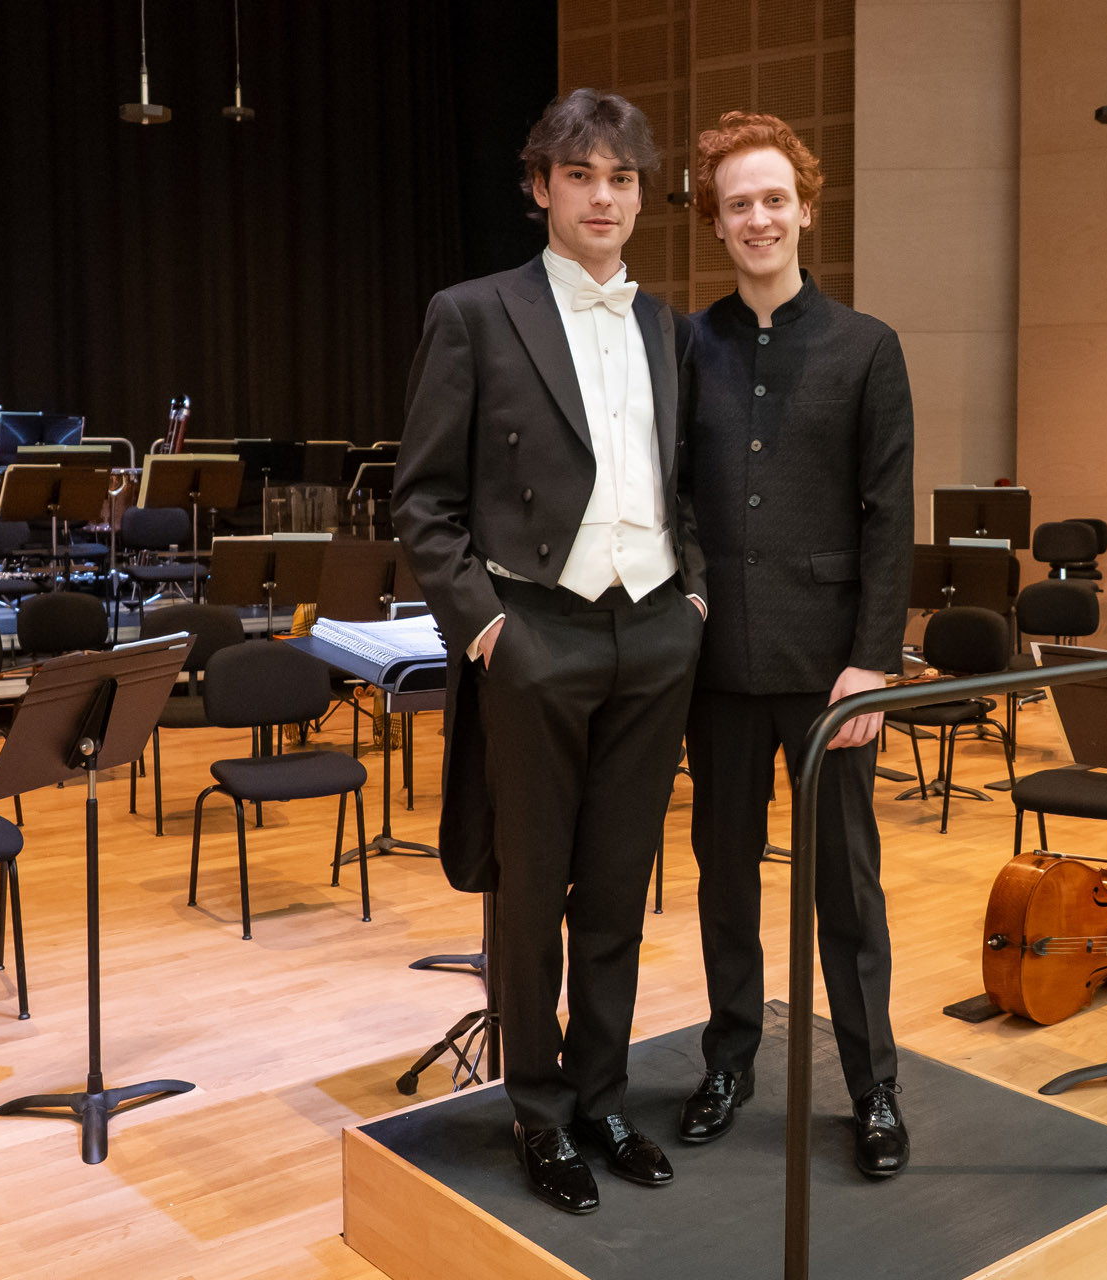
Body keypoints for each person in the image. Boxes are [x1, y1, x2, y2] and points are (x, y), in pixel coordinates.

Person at [392, 88, 707, 1216]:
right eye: (581, 175)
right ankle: (536, 1108)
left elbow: (687, 484)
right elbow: (422, 499)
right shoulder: (474, 313)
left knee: (618, 886)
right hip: (533, 633)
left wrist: (694, 600)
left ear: (641, 195)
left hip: (653, 633)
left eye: (621, 177)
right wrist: (486, 627)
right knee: (530, 893)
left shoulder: (669, 328)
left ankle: (602, 1096)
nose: (603, 196)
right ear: (540, 187)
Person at [678, 111, 915, 1176]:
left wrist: (874, 661)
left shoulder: (868, 347)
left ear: (806, 208)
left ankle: (873, 1087)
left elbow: (889, 516)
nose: (759, 218)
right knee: (724, 878)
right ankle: (728, 1061)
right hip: (716, 666)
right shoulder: (687, 346)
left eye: (775, 198)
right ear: (716, 222)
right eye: (739, 204)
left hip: (833, 673)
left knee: (847, 891)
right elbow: (675, 498)